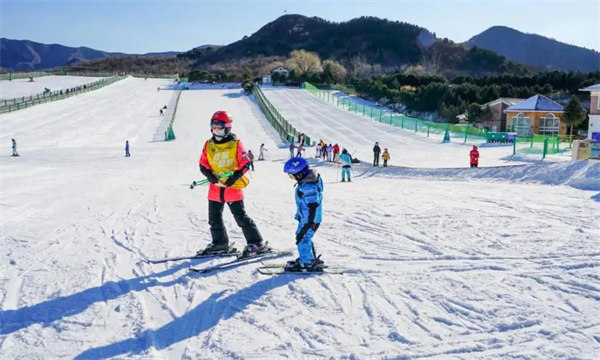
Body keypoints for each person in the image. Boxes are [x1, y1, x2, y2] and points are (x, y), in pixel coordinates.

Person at [198, 110, 265, 256]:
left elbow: (245, 163)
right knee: (214, 219)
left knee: (240, 217)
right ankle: (220, 243)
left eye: (219, 128)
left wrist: (234, 177)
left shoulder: (236, 144)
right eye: (214, 127)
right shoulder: (208, 144)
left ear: (227, 128)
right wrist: (209, 175)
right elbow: (203, 163)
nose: (216, 131)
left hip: (232, 188)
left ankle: (256, 242)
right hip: (215, 189)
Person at [283, 157, 325, 272]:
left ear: (300, 174)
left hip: (310, 219)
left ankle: (307, 263)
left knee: (302, 238)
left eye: (292, 176)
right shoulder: (307, 182)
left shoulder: (308, 186)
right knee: (304, 237)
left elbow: (313, 205)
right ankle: (307, 258)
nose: (292, 178)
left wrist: (310, 222)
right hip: (307, 218)